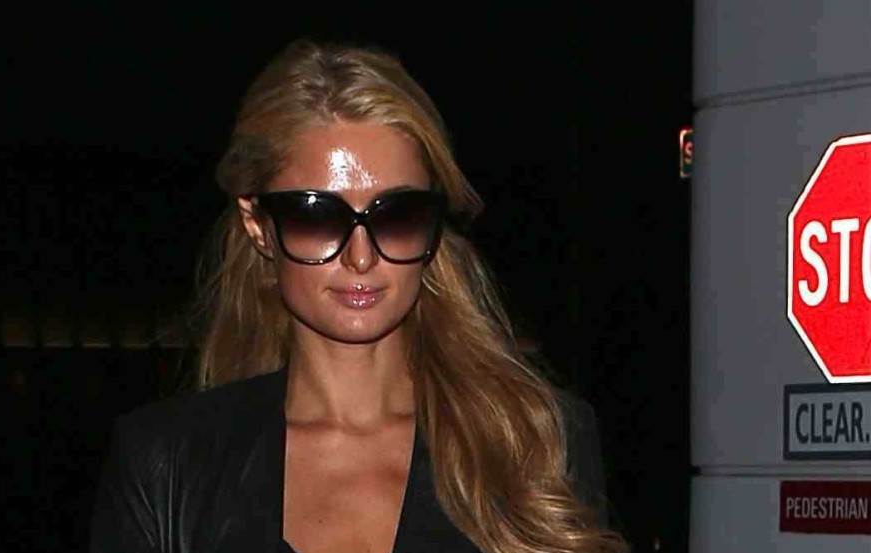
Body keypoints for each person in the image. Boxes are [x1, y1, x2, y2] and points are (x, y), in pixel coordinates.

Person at [90, 38, 628, 553]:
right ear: (258, 225)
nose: (361, 257)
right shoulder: (166, 464)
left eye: (397, 215)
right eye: (317, 216)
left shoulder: (536, 441)